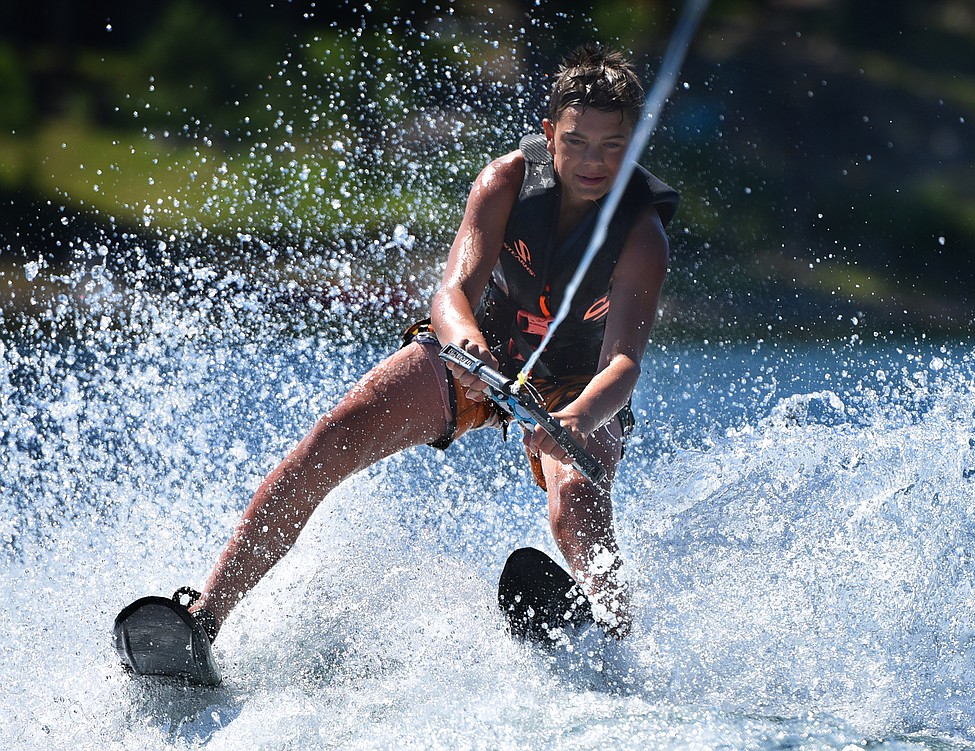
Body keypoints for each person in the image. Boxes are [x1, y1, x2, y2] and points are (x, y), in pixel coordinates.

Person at [187, 43, 679, 641]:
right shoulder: (505, 181)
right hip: (484, 350)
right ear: (550, 133)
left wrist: (578, 418)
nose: (591, 161)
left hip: (580, 386)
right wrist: (466, 342)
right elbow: (452, 293)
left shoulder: (643, 236)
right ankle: (205, 616)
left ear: (634, 145)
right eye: (576, 141)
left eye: (612, 145)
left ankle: (614, 644)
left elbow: (623, 362)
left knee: (578, 503)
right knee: (334, 437)